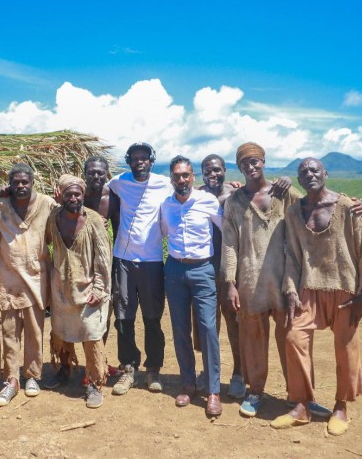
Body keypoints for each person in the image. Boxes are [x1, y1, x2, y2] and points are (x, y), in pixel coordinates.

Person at [271, 158, 362, 435]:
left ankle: (341, 407)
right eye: (303, 171)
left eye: (314, 170)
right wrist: (291, 290)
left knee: (345, 346)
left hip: (344, 286)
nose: (309, 174)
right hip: (309, 287)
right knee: (294, 337)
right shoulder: (295, 212)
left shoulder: (346, 207)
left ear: (325, 173)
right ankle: (302, 405)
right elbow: (292, 255)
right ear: (299, 179)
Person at [221, 142, 303, 418]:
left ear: (264, 161)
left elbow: (310, 207)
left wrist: (291, 180)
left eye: (255, 161)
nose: (250, 166)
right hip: (250, 281)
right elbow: (230, 244)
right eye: (245, 163)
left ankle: (297, 395)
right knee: (253, 340)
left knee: (290, 338)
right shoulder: (234, 201)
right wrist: (230, 282)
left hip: (284, 282)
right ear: (239, 167)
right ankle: (255, 391)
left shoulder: (285, 193)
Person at [0, 163, 57, 407]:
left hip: (36, 279)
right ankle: (11, 379)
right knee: (9, 332)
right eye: (15, 182)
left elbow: (61, 228)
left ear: (32, 182)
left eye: (24, 182)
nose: (20, 186)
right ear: (9, 183)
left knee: (34, 331)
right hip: (8, 280)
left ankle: (33, 376)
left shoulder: (47, 204)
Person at [160, 155, 224, 416]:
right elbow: (163, 232)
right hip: (174, 268)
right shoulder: (166, 205)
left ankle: (213, 389)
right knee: (180, 328)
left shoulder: (208, 201)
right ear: (171, 179)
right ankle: (188, 382)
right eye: (177, 176)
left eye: (186, 175)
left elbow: (226, 229)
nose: (182, 180)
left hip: (202, 269)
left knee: (208, 328)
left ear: (193, 177)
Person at [108, 142, 172, 395]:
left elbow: (189, 191)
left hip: (153, 260)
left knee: (153, 317)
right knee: (123, 317)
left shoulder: (164, 183)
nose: (139, 161)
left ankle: (153, 368)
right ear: (129, 161)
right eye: (135, 158)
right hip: (122, 260)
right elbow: (93, 190)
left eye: (144, 157)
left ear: (151, 160)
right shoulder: (119, 181)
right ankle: (128, 368)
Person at [44, 175, 112, 409]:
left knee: (91, 334)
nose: (73, 198)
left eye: (77, 194)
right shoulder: (53, 217)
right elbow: (42, 239)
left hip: (89, 287)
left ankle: (95, 383)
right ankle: (65, 370)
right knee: (61, 331)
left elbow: (104, 258)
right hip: (61, 288)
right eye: (68, 194)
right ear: (60, 195)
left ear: (83, 196)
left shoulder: (93, 220)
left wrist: (100, 289)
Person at [82, 156, 122, 380]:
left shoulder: (112, 198)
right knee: (83, 314)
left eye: (100, 173)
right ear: (85, 173)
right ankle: (86, 364)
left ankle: (99, 361)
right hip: (80, 263)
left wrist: (113, 267)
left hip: (103, 262)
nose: (96, 177)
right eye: (91, 172)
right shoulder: (76, 194)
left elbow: (117, 233)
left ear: (106, 174)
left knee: (104, 313)